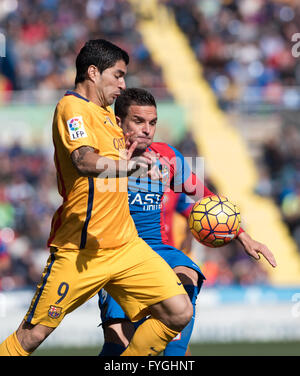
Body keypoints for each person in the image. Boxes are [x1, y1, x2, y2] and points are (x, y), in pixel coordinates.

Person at [0, 39, 193, 357]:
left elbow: (113, 171)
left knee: (178, 312)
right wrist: (130, 167)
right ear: (93, 72)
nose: (123, 84)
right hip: (82, 250)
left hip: (126, 246)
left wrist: (134, 159)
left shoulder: (106, 116)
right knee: (31, 336)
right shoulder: (72, 109)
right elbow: (85, 161)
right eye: (117, 75)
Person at [98, 88, 277, 356]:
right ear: (119, 121)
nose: (147, 130)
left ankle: (175, 355)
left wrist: (243, 236)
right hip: (114, 252)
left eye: (153, 123)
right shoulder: (102, 159)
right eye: (138, 121)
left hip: (155, 248)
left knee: (188, 273)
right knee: (118, 341)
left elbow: (203, 196)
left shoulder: (167, 157)